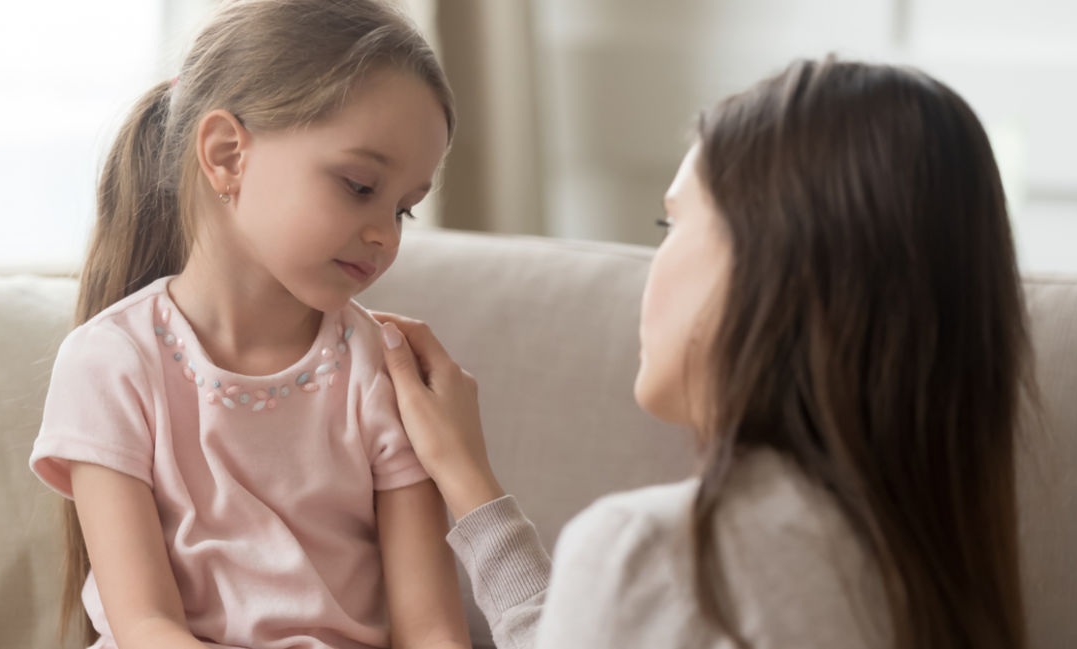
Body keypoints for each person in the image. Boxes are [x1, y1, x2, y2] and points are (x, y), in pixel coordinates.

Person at [374, 57, 1031, 649]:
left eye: (673, 224)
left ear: (772, 265)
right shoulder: (932, 569)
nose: (652, 267)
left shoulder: (656, 551)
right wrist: (468, 480)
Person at [27, 2, 470, 648]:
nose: (383, 233)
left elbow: (430, 627)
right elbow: (146, 625)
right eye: (358, 185)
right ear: (227, 154)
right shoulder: (110, 363)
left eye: (405, 209)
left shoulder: (383, 367)